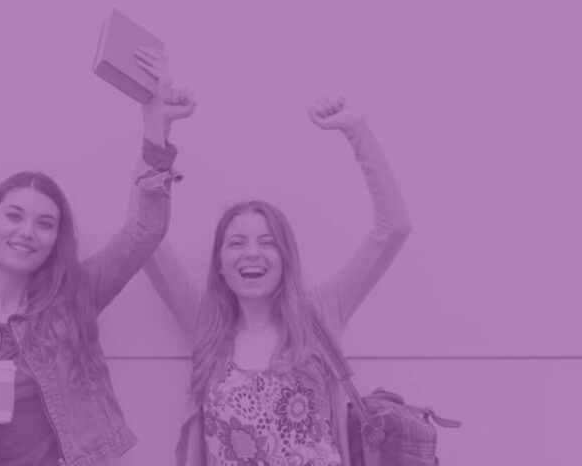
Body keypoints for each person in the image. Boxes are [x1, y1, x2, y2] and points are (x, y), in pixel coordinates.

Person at [0, 47, 194, 465]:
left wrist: (155, 128)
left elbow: (143, 230)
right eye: (14, 216)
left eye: (45, 223)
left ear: (55, 238)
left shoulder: (73, 297)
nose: (27, 232)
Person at [142, 95, 413, 466]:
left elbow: (394, 229)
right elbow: (144, 236)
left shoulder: (320, 312)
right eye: (237, 243)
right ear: (219, 264)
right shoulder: (207, 324)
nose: (252, 253)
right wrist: (159, 132)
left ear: (286, 259)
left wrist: (357, 131)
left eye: (267, 242)